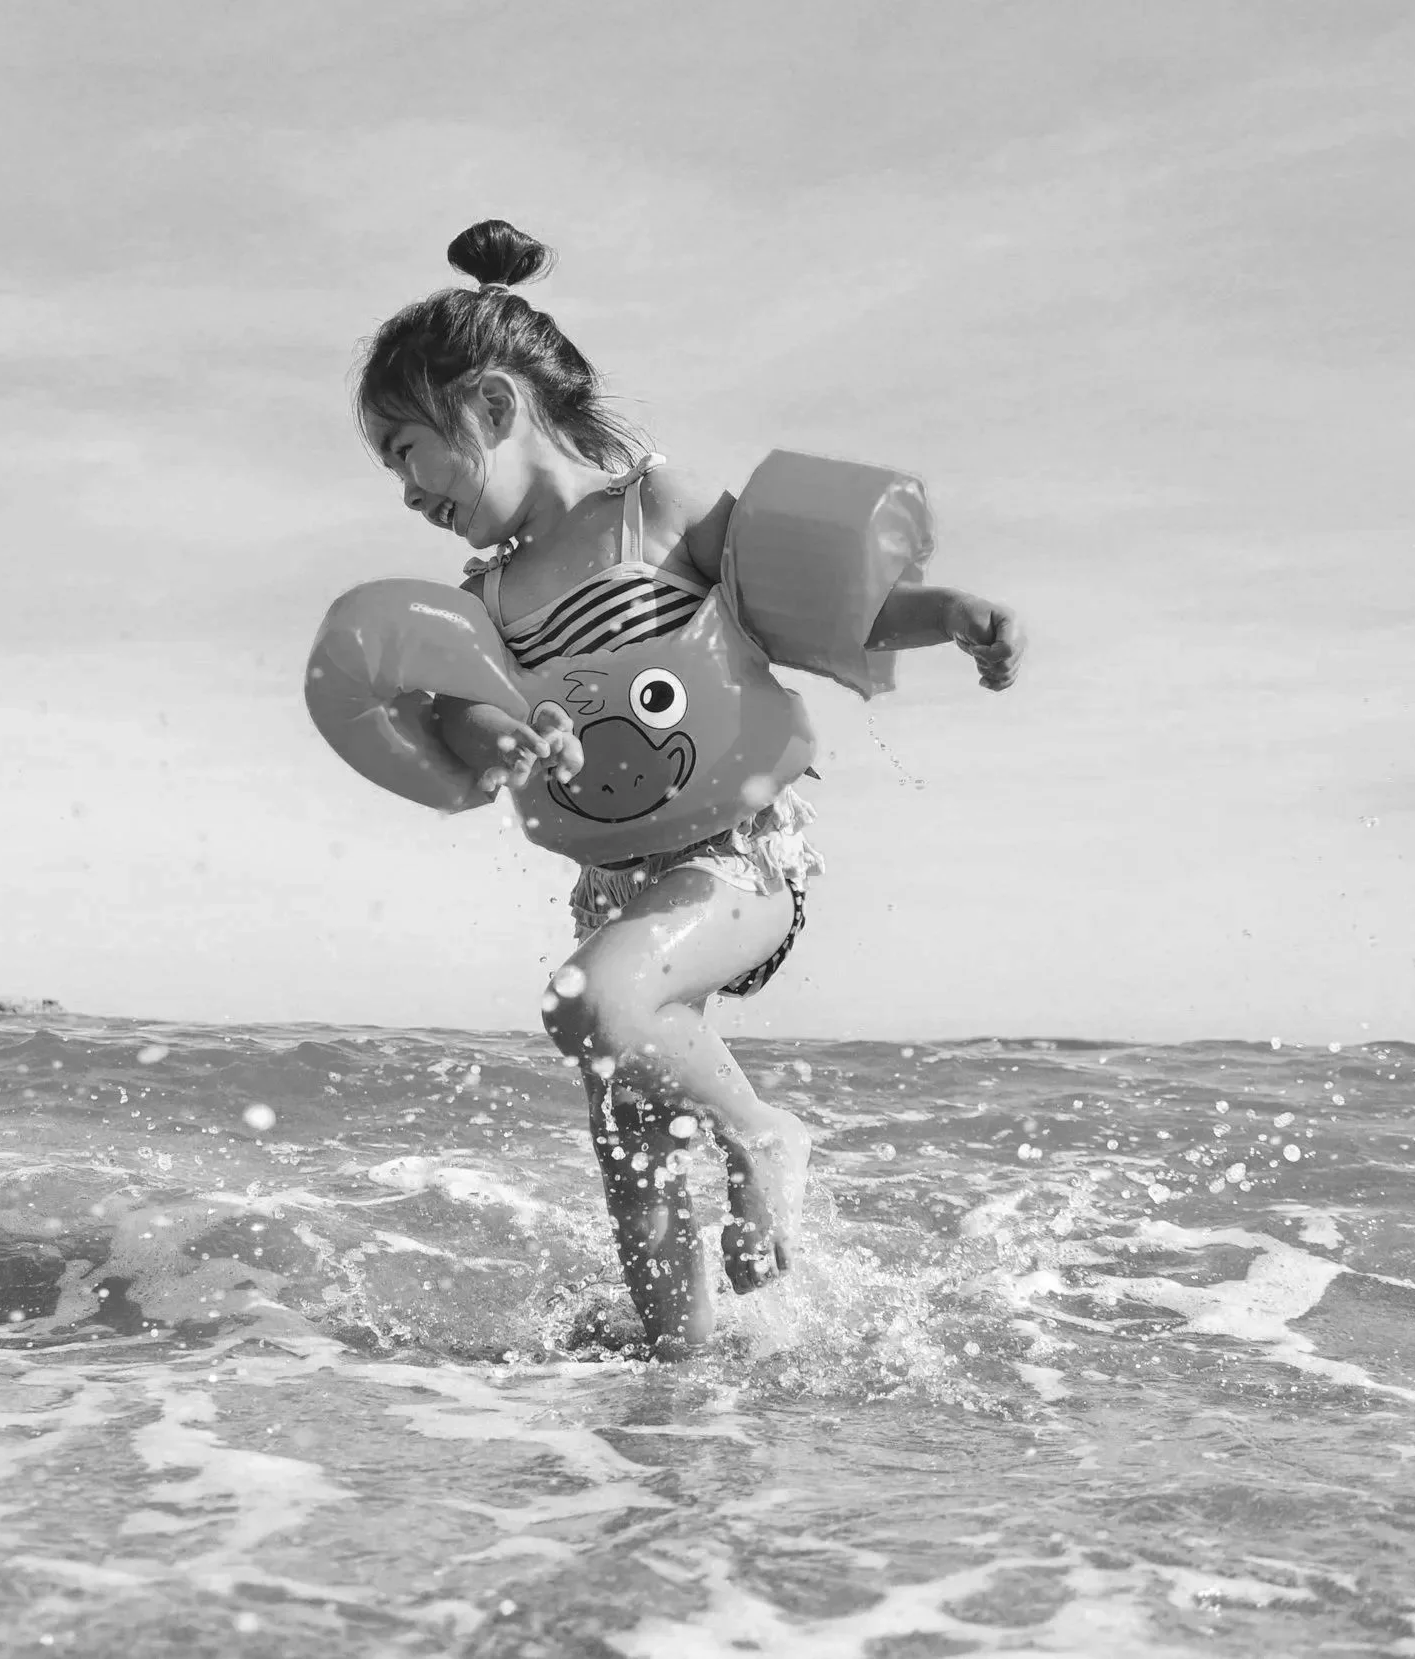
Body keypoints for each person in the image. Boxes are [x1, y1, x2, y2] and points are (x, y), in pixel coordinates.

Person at [354, 219, 1027, 1357]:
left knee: (589, 1006)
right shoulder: (491, 596)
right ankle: (679, 1397)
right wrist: (504, 737)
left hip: (737, 860)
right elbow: (470, 713)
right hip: (615, 889)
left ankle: (766, 1138)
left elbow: (813, 610)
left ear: (489, 408)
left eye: (406, 450)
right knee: (632, 1152)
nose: (406, 490)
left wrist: (948, 613)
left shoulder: (656, 512)